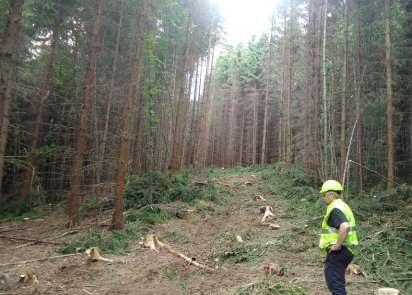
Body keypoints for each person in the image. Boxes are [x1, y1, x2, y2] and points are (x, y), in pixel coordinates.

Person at [319, 180, 359, 295]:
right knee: (337, 283)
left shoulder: (335, 208)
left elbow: (345, 226)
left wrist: (337, 246)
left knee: (335, 284)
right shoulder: (343, 206)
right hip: (347, 250)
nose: (323, 198)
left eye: (324, 195)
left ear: (331, 194)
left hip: (340, 252)